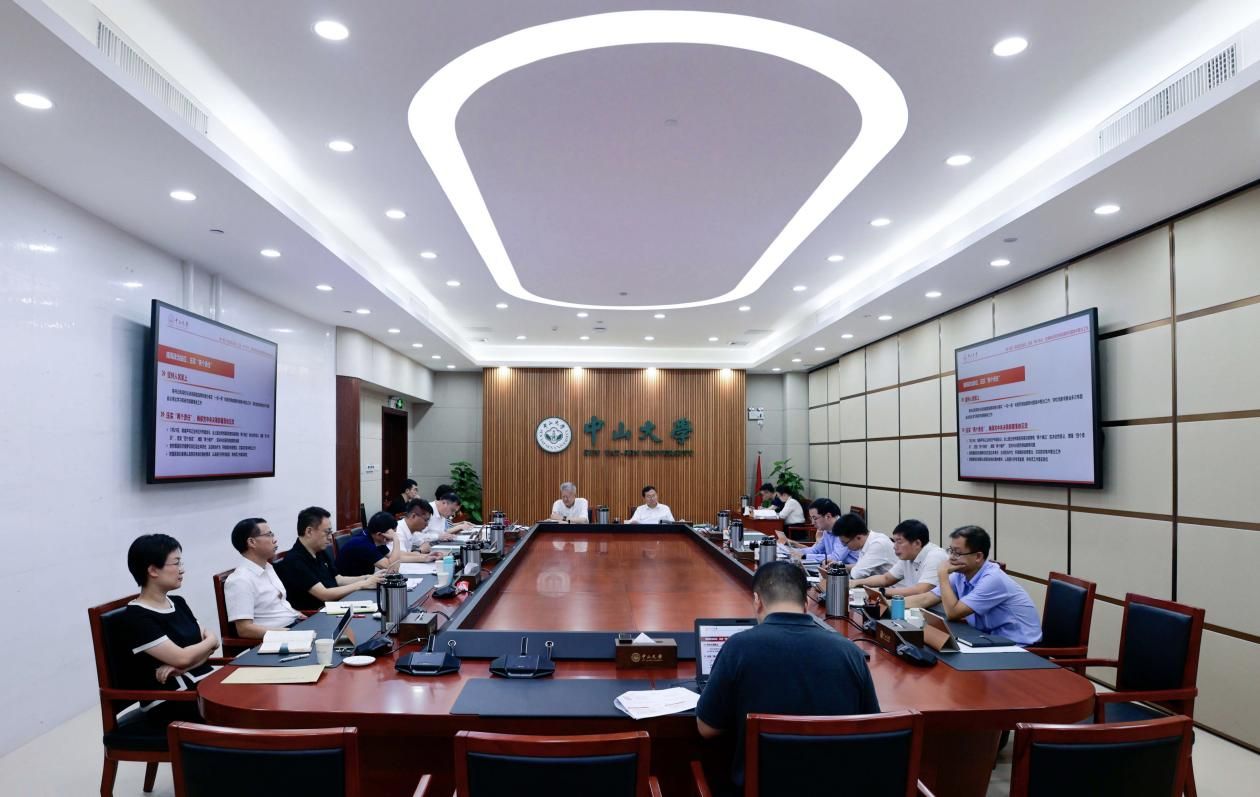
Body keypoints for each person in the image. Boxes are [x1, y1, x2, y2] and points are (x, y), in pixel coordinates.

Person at [696, 561, 880, 790]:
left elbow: (707, 728)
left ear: (757, 601)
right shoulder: (850, 652)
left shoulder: (738, 647)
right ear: (806, 604)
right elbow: (872, 728)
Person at [117, 534, 219, 725]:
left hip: (204, 685)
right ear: (153, 570)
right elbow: (185, 656)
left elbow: (209, 648)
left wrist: (187, 664)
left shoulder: (178, 602)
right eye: (176, 563)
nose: (182, 569)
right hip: (172, 701)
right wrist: (209, 641)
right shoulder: (137, 616)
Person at [906, 526, 1042, 645]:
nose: (951, 557)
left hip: (1020, 647)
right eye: (951, 551)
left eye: (957, 553)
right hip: (987, 639)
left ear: (978, 556)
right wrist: (893, 606)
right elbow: (926, 599)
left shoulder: (993, 579)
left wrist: (942, 575)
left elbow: (953, 613)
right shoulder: (961, 573)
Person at [276, 506, 383, 611]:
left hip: (334, 606)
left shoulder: (320, 551)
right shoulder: (294, 560)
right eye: (327, 532)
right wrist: (363, 584)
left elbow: (339, 580)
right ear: (309, 531)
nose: (329, 538)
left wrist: (368, 578)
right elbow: (324, 594)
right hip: (316, 614)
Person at [224, 517, 303, 639]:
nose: (274, 540)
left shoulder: (267, 567)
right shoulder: (240, 580)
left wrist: (297, 614)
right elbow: (244, 630)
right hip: (279, 637)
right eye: (269, 535)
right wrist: (289, 633)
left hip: (295, 624)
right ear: (252, 542)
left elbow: (277, 605)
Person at [850, 519, 949, 596]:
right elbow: (886, 578)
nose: (894, 546)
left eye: (899, 542)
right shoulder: (908, 556)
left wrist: (881, 591)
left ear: (917, 543)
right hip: (915, 607)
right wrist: (856, 582)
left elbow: (921, 590)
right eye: (894, 541)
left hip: (937, 613)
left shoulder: (935, 556)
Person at [776, 499, 858, 567]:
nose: (812, 522)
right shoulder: (827, 530)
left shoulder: (844, 528)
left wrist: (804, 556)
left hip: (851, 573)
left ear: (828, 516)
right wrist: (794, 552)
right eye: (811, 518)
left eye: (815, 518)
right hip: (833, 569)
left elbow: (836, 557)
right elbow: (816, 550)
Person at [335, 511, 403, 577]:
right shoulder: (363, 544)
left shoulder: (372, 535)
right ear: (379, 534)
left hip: (363, 580)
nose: (391, 539)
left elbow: (393, 557)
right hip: (349, 583)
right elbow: (391, 568)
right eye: (391, 535)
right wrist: (396, 539)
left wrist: (410, 556)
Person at [833, 512, 897, 579]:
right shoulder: (867, 542)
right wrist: (839, 566)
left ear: (858, 537)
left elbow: (857, 574)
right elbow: (860, 566)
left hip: (894, 585)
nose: (844, 546)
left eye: (845, 543)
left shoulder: (878, 544)